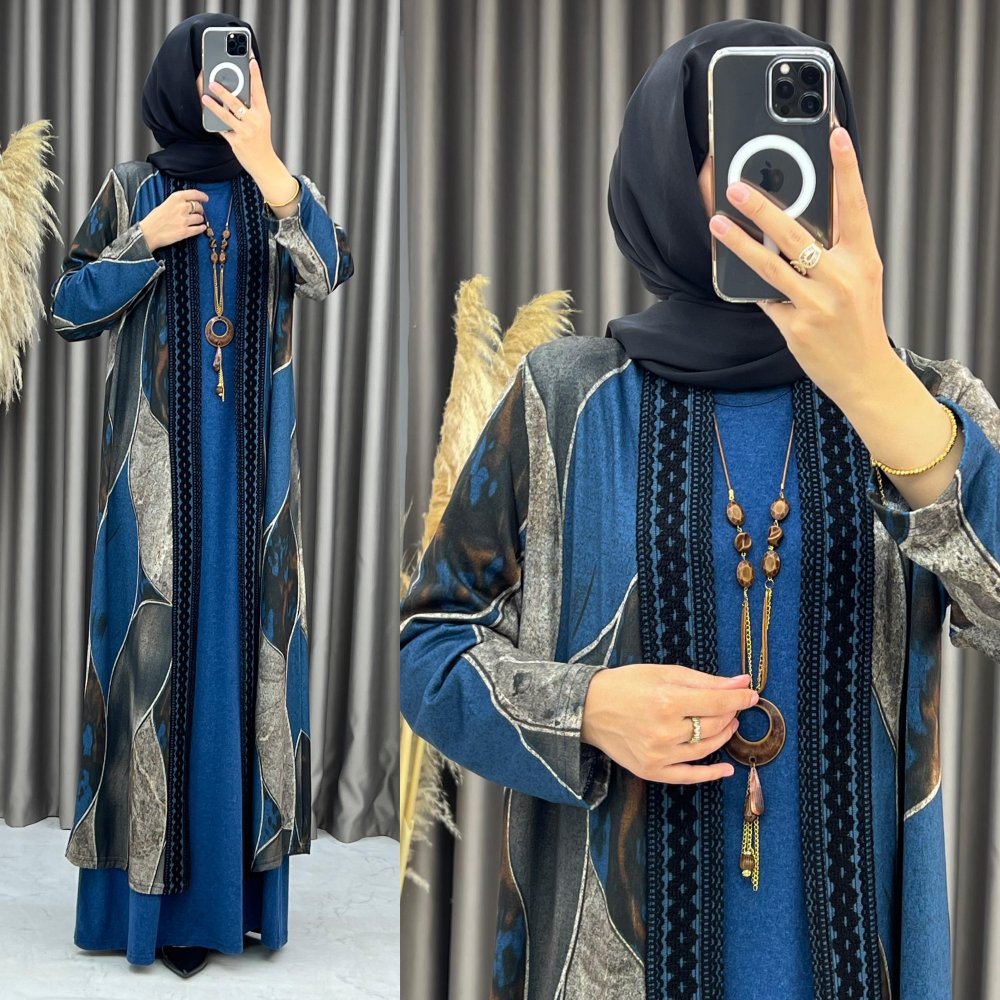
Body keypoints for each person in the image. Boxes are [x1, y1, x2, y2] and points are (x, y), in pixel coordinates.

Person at [399, 18, 999, 1000]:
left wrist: (880, 390)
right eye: (735, 138)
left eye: (804, 140)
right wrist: (586, 709)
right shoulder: (565, 399)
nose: (772, 174)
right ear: (664, 167)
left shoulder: (924, 404)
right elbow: (424, 648)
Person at [50, 13, 353, 978]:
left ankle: (236, 902)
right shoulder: (132, 189)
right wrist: (140, 240)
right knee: (150, 667)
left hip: (254, 492)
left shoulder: (280, 189)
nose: (234, 82)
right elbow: (67, 310)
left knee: (245, 663)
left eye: (247, 66)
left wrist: (269, 168)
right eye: (219, 68)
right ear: (178, 81)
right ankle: (142, 907)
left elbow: (329, 270)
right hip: (150, 493)